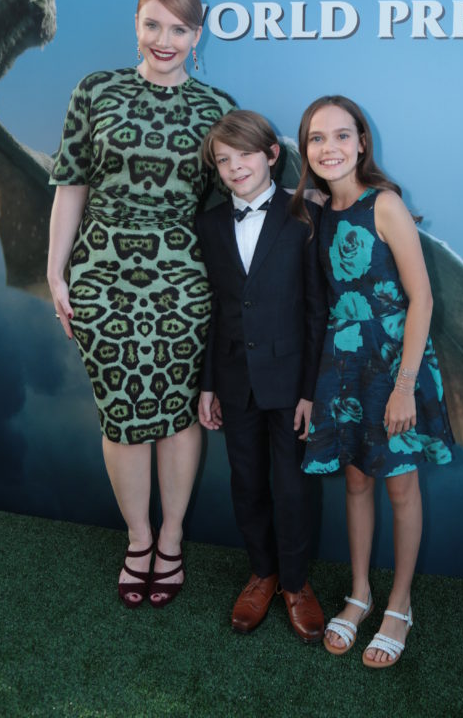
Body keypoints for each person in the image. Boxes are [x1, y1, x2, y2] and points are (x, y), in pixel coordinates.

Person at [47, 0, 236, 608]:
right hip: (100, 274)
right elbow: (70, 183)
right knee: (122, 412)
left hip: (183, 279)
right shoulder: (94, 91)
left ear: (196, 35)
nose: (165, 40)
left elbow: (236, 199)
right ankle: (137, 540)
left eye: (179, 29)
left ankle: (173, 540)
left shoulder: (216, 107)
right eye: (153, 24)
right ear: (136, 23)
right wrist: (57, 271)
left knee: (179, 412)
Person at [290, 95, 454, 668]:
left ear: (362, 142)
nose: (328, 147)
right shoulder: (312, 210)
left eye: (341, 135)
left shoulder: (384, 205)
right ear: (305, 148)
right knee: (355, 482)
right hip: (343, 363)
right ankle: (358, 594)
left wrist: (406, 385)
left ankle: (399, 605)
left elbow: (422, 299)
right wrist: (314, 388)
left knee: (401, 486)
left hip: (393, 366)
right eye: (316, 138)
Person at [195, 110, 327, 642]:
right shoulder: (207, 224)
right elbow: (216, 309)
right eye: (223, 161)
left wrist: (311, 392)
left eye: (244, 155)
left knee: (293, 486)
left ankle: (296, 582)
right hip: (233, 377)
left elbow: (318, 310)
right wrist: (208, 383)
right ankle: (262, 574)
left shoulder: (305, 216)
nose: (234, 167)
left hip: (292, 381)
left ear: (272, 155)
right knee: (246, 481)